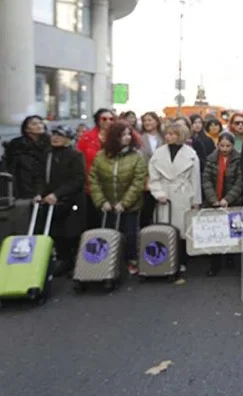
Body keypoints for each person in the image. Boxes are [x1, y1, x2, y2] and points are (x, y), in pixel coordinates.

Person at [88, 120, 147, 275]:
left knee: (129, 233)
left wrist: (125, 203)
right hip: (107, 203)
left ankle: (131, 260)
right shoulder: (101, 156)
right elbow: (93, 179)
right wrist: (101, 201)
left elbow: (138, 181)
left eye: (129, 134)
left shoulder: (137, 156)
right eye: (123, 135)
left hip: (129, 205)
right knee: (106, 234)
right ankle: (105, 262)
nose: (127, 137)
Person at [148, 122, 202, 273]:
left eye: (172, 134)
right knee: (165, 227)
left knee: (182, 230)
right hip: (165, 194)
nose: (168, 136)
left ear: (181, 136)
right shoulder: (158, 154)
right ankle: (164, 259)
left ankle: (181, 261)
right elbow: (154, 177)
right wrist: (158, 193)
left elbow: (195, 179)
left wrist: (196, 201)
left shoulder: (191, 154)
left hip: (184, 194)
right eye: (167, 133)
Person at [34, 125, 86, 276]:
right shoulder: (47, 154)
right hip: (51, 200)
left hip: (71, 200)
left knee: (72, 233)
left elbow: (78, 179)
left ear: (68, 139)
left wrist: (57, 194)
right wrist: (39, 193)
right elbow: (40, 176)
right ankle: (64, 260)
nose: (55, 138)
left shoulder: (75, 155)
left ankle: (78, 262)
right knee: (57, 233)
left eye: (60, 136)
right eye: (54, 135)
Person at [202, 132, 243, 276]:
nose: (225, 149)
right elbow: (206, 180)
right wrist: (213, 199)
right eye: (222, 145)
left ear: (233, 146)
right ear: (217, 145)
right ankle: (215, 264)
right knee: (215, 233)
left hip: (232, 201)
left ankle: (232, 260)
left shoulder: (238, 159)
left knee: (233, 232)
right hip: (214, 200)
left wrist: (228, 199)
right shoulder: (211, 159)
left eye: (228, 146)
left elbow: (240, 181)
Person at [77, 108, 116, 227]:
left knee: (112, 220)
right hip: (91, 184)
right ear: (98, 120)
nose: (108, 121)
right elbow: (80, 159)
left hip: (112, 184)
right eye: (104, 119)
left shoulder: (117, 137)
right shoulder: (87, 137)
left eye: (111, 119)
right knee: (93, 219)